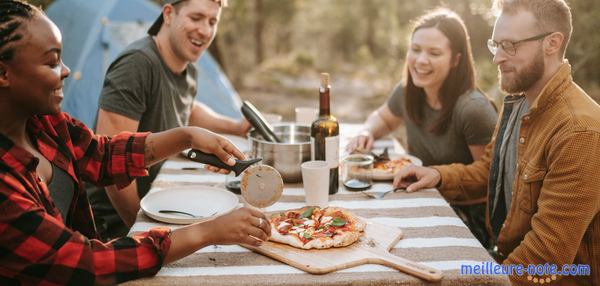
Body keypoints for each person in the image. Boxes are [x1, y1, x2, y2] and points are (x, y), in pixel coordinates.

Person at [0, 1, 270, 284]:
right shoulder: (6, 183)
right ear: (4, 73)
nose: (66, 70)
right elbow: (86, 263)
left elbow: (103, 155)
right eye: (52, 61)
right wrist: (207, 232)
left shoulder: (44, 125)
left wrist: (187, 136)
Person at [394, 0, 600, 284]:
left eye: (510, 46)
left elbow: (546, 254)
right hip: (500, 260)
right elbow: (489, 172)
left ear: (552, 43)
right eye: (496, 45)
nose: (497, 58)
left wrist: (483, 278)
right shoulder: (519, 100)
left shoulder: (580, 132)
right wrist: (438, 175)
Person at [87, 0, 251, 240]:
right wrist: (141, 231)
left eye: (212, 21)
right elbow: (112, 165)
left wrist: (237, 127)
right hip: (114, 224)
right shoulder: (138, 64)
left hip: (159, 202)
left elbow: (187, 108)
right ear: (168, 14)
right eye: (196, 18)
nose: (205, 30)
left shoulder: (187, 68)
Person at [346, 9, 498, 248]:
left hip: (466, 219)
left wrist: (439, 182)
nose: (420, 60)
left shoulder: (473, 109)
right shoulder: (409, 91)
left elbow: (488, 182)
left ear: (456, 59)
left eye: (434, 53)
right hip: (419, 197)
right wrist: (366, 131)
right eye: (415, 49)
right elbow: (383, 119)